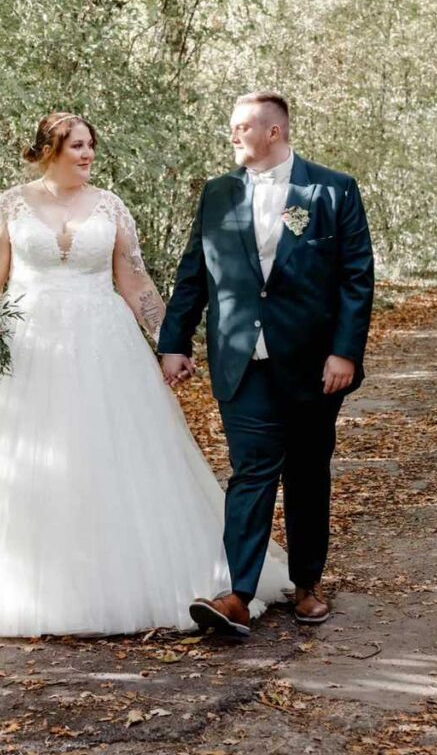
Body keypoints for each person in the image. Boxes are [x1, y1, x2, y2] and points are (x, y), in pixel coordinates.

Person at [0, 112, 292, 639]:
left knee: (109, 452)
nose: (87, 155)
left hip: (104, 345)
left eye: (90, 146)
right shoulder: (11, 204)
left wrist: (169, 341)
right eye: (76, 146)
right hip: (26, 348)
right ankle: (26, 586)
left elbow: (135, 283)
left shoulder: (109, 207)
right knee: (24, 458)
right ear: (49, 150)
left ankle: (138, 578)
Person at [159, 91, 374, 636]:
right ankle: (238, 593)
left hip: (312, 365)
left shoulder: (332, 190)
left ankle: (306, 585)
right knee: (251, 473)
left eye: (241, 127)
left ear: (273, 131)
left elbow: (355, 277)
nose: (233, 136)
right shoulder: (216, 194)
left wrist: (345, 350)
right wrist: (174, 341)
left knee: (305, 473)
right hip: (241, 361)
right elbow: (194, 275)